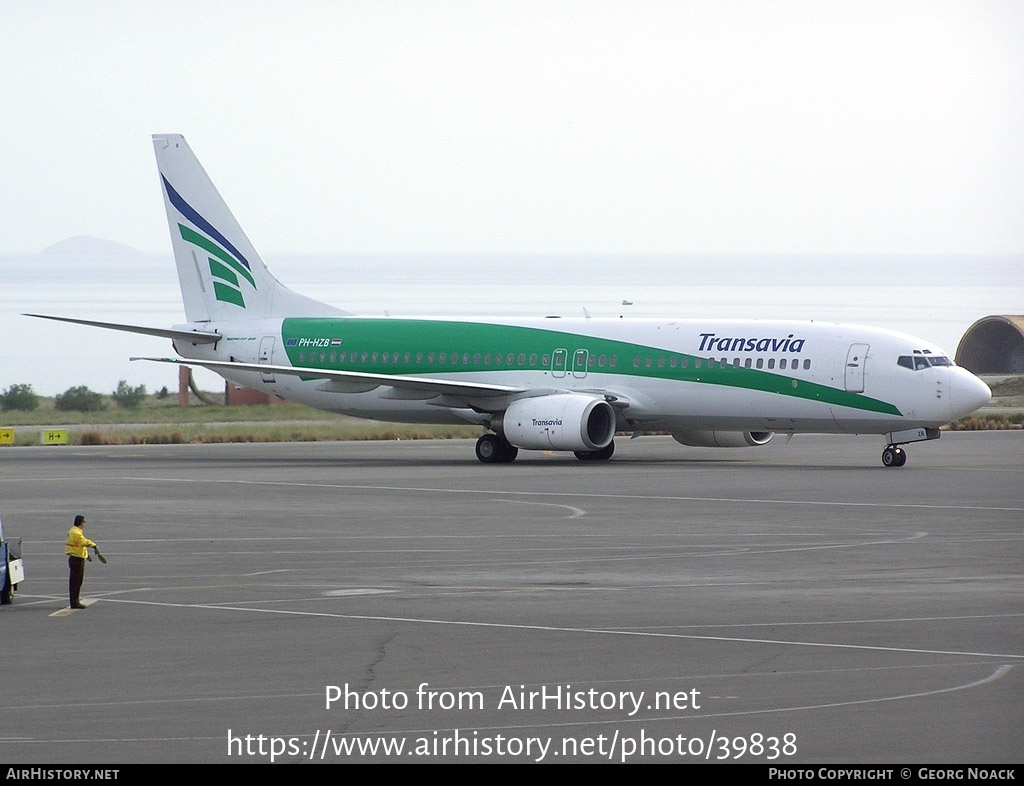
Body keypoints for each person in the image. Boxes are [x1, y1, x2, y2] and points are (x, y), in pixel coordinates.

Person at [65, 514, 96, 609]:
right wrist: (94, 545)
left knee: (75, 581)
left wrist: (85, 554)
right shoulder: (77, 533)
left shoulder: (73, 531)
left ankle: (75, 601)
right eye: (83, 522)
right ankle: (75, 603)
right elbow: (82, 542)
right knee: (76, 581)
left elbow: (78, 546)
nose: (84, 524)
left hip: (75, 558)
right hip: (77, 559)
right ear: (81, 523)